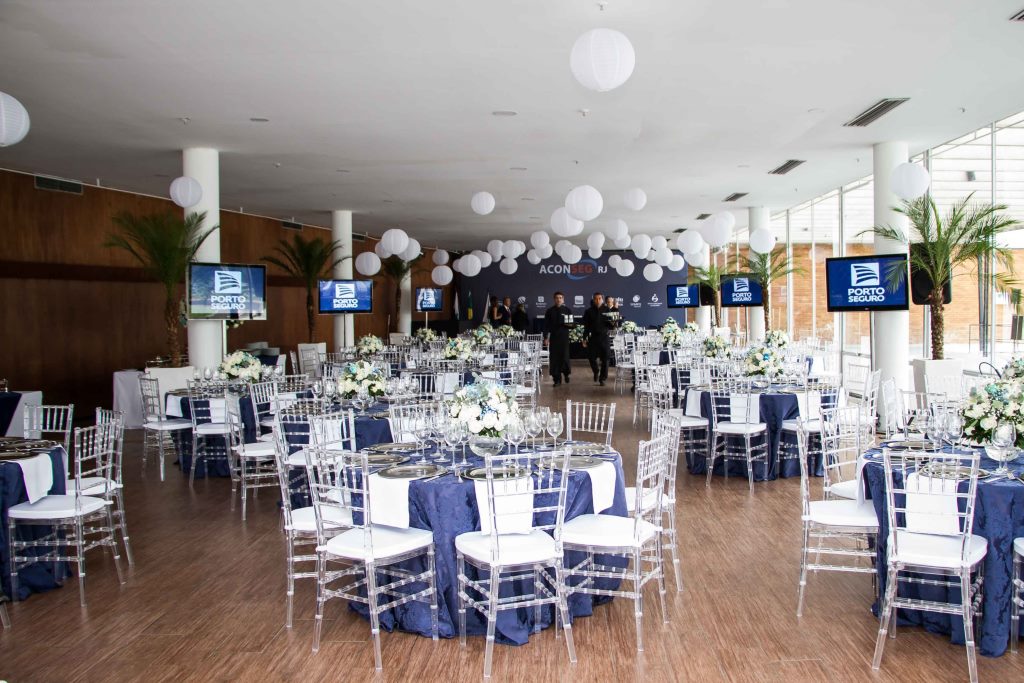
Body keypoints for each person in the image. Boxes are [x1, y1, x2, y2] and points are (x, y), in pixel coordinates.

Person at [582, 292, 615, 385]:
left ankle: (602, 378)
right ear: (593, 300)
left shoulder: (607, 310)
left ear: (602, 300)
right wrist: (584, 338)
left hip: (604, 337)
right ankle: (596, 371)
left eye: (599, 298)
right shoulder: (588, 311)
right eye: (596, 299)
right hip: (593, 338)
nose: (597, 300)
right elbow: (586, 327)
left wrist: (613, 324)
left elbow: (611, 325)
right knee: (591, 357)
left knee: (605, 359)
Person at [543, 291, 573, 386]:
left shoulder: (567, 310)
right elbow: (546, 325)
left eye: (560, 298)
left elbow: (571, 324)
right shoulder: (549, 311)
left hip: (564, 337)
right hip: (554, 338)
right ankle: (557, 380)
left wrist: (571, 325)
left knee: (565, 357)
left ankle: (566, 374)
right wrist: (546, 337)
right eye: (557, 298)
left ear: (563, 299)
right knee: (554, 359)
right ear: (554, 299)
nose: (558, 299)